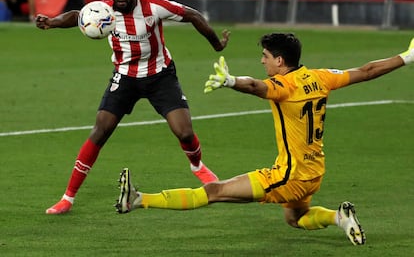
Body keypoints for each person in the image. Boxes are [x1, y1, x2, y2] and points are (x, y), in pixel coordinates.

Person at [115, 32, 414, 245]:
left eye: (266, 56)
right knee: (295, 219)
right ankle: (339, 217)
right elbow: (367, 70)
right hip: (314, 171)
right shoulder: (320, 77)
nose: (262, 61)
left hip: (288, 175)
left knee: (215, 190)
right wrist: (407, 56)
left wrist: (232, 82)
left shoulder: (283, 86)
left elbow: (257, 86)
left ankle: (138, 200)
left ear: (280, 61)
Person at [35, 0, 230, 214]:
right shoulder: (104, 11)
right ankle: (68, 198)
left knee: (184, 132)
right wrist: (51, 22)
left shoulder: (153, 7)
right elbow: (77, 15)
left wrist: (217, 45)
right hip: (125, 78)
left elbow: (191, 15)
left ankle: (197, 166)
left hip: (160, 76)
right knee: (100, 130)